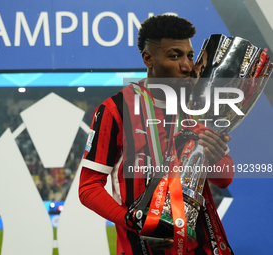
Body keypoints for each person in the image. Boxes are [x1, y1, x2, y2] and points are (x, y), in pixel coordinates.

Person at [79, 15, 234, 255]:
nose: (186, 65)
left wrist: (215, 157)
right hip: (142, 248)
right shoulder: (115, 110)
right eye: (175, 55)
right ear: (148, 59)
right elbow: (89, 188)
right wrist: (136, 222)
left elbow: (224, 180)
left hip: (200, 247)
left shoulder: (200, 106)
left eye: (190, 56)